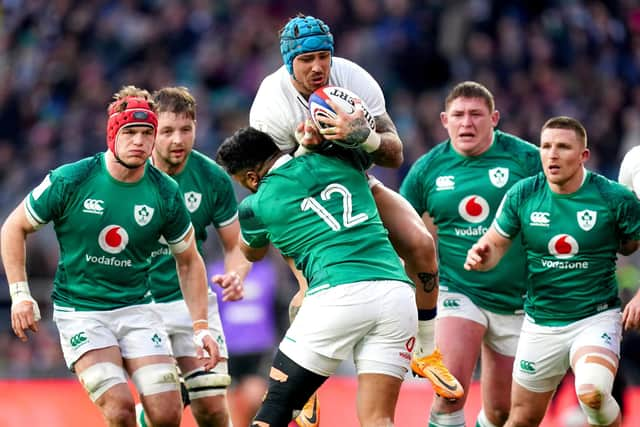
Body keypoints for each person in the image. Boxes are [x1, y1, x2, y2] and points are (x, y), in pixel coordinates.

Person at [249, 13, 461, 406]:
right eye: (306, 59)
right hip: (301, 202)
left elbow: (395, 152)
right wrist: (305, 150)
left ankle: (427, 351)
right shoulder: (270, 104)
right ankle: (303, 385)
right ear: (287, 61)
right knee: (308, 293)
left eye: (324, 57)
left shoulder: (353, 78)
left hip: (356, 183)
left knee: (422, 244)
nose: (318, 67)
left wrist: (362, 137)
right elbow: (271, 184)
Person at [0, 85, 218, 427]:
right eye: (130, 132)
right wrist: (20, 295)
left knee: (166, 414)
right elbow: (13, 228)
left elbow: (189, 260)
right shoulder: (72, 179)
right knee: (119, 409)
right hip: (83, 313)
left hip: (138, 310)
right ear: (112, 134)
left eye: (148, 133)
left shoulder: (165, 192)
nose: (140, 142)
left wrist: (202, 328)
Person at [216, 126, 418, 427]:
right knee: (379, 418)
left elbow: (253, 252)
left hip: (337, 294)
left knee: (275, 409)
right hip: (397, 293)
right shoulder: (341, 159)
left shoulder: (255, 205)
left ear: (252, 178)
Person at [465, 116, 640, 427]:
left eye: (562, 147)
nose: (552, 154)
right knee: (520, 418)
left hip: (595, 316)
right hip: (540, 322)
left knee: (593, 393)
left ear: (584, 155)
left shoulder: (613, 198)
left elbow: (631, 245)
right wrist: (481, 254)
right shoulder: (524, 194)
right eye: (546, 146)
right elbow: (493, 245)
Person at [399, 81, 541, 427]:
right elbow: (400, 221)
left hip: (517, 297)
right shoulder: (428, 168)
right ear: (444, 120)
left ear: (494, 118)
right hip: (457, 288)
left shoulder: (526, 159)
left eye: (476, 114)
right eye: (459, 115)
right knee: (451, 391)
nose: (467, 123)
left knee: (501, 412)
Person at [133, 86, 251, 427]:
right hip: (139, 307)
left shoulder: (211, 177)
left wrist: (236, 274)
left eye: (186, 129)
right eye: (167, 131)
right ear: (152, 131)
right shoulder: (128, 174)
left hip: (192, 304)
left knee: (212, 407)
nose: (177, 140)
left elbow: (236, 244)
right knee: (162, 413)